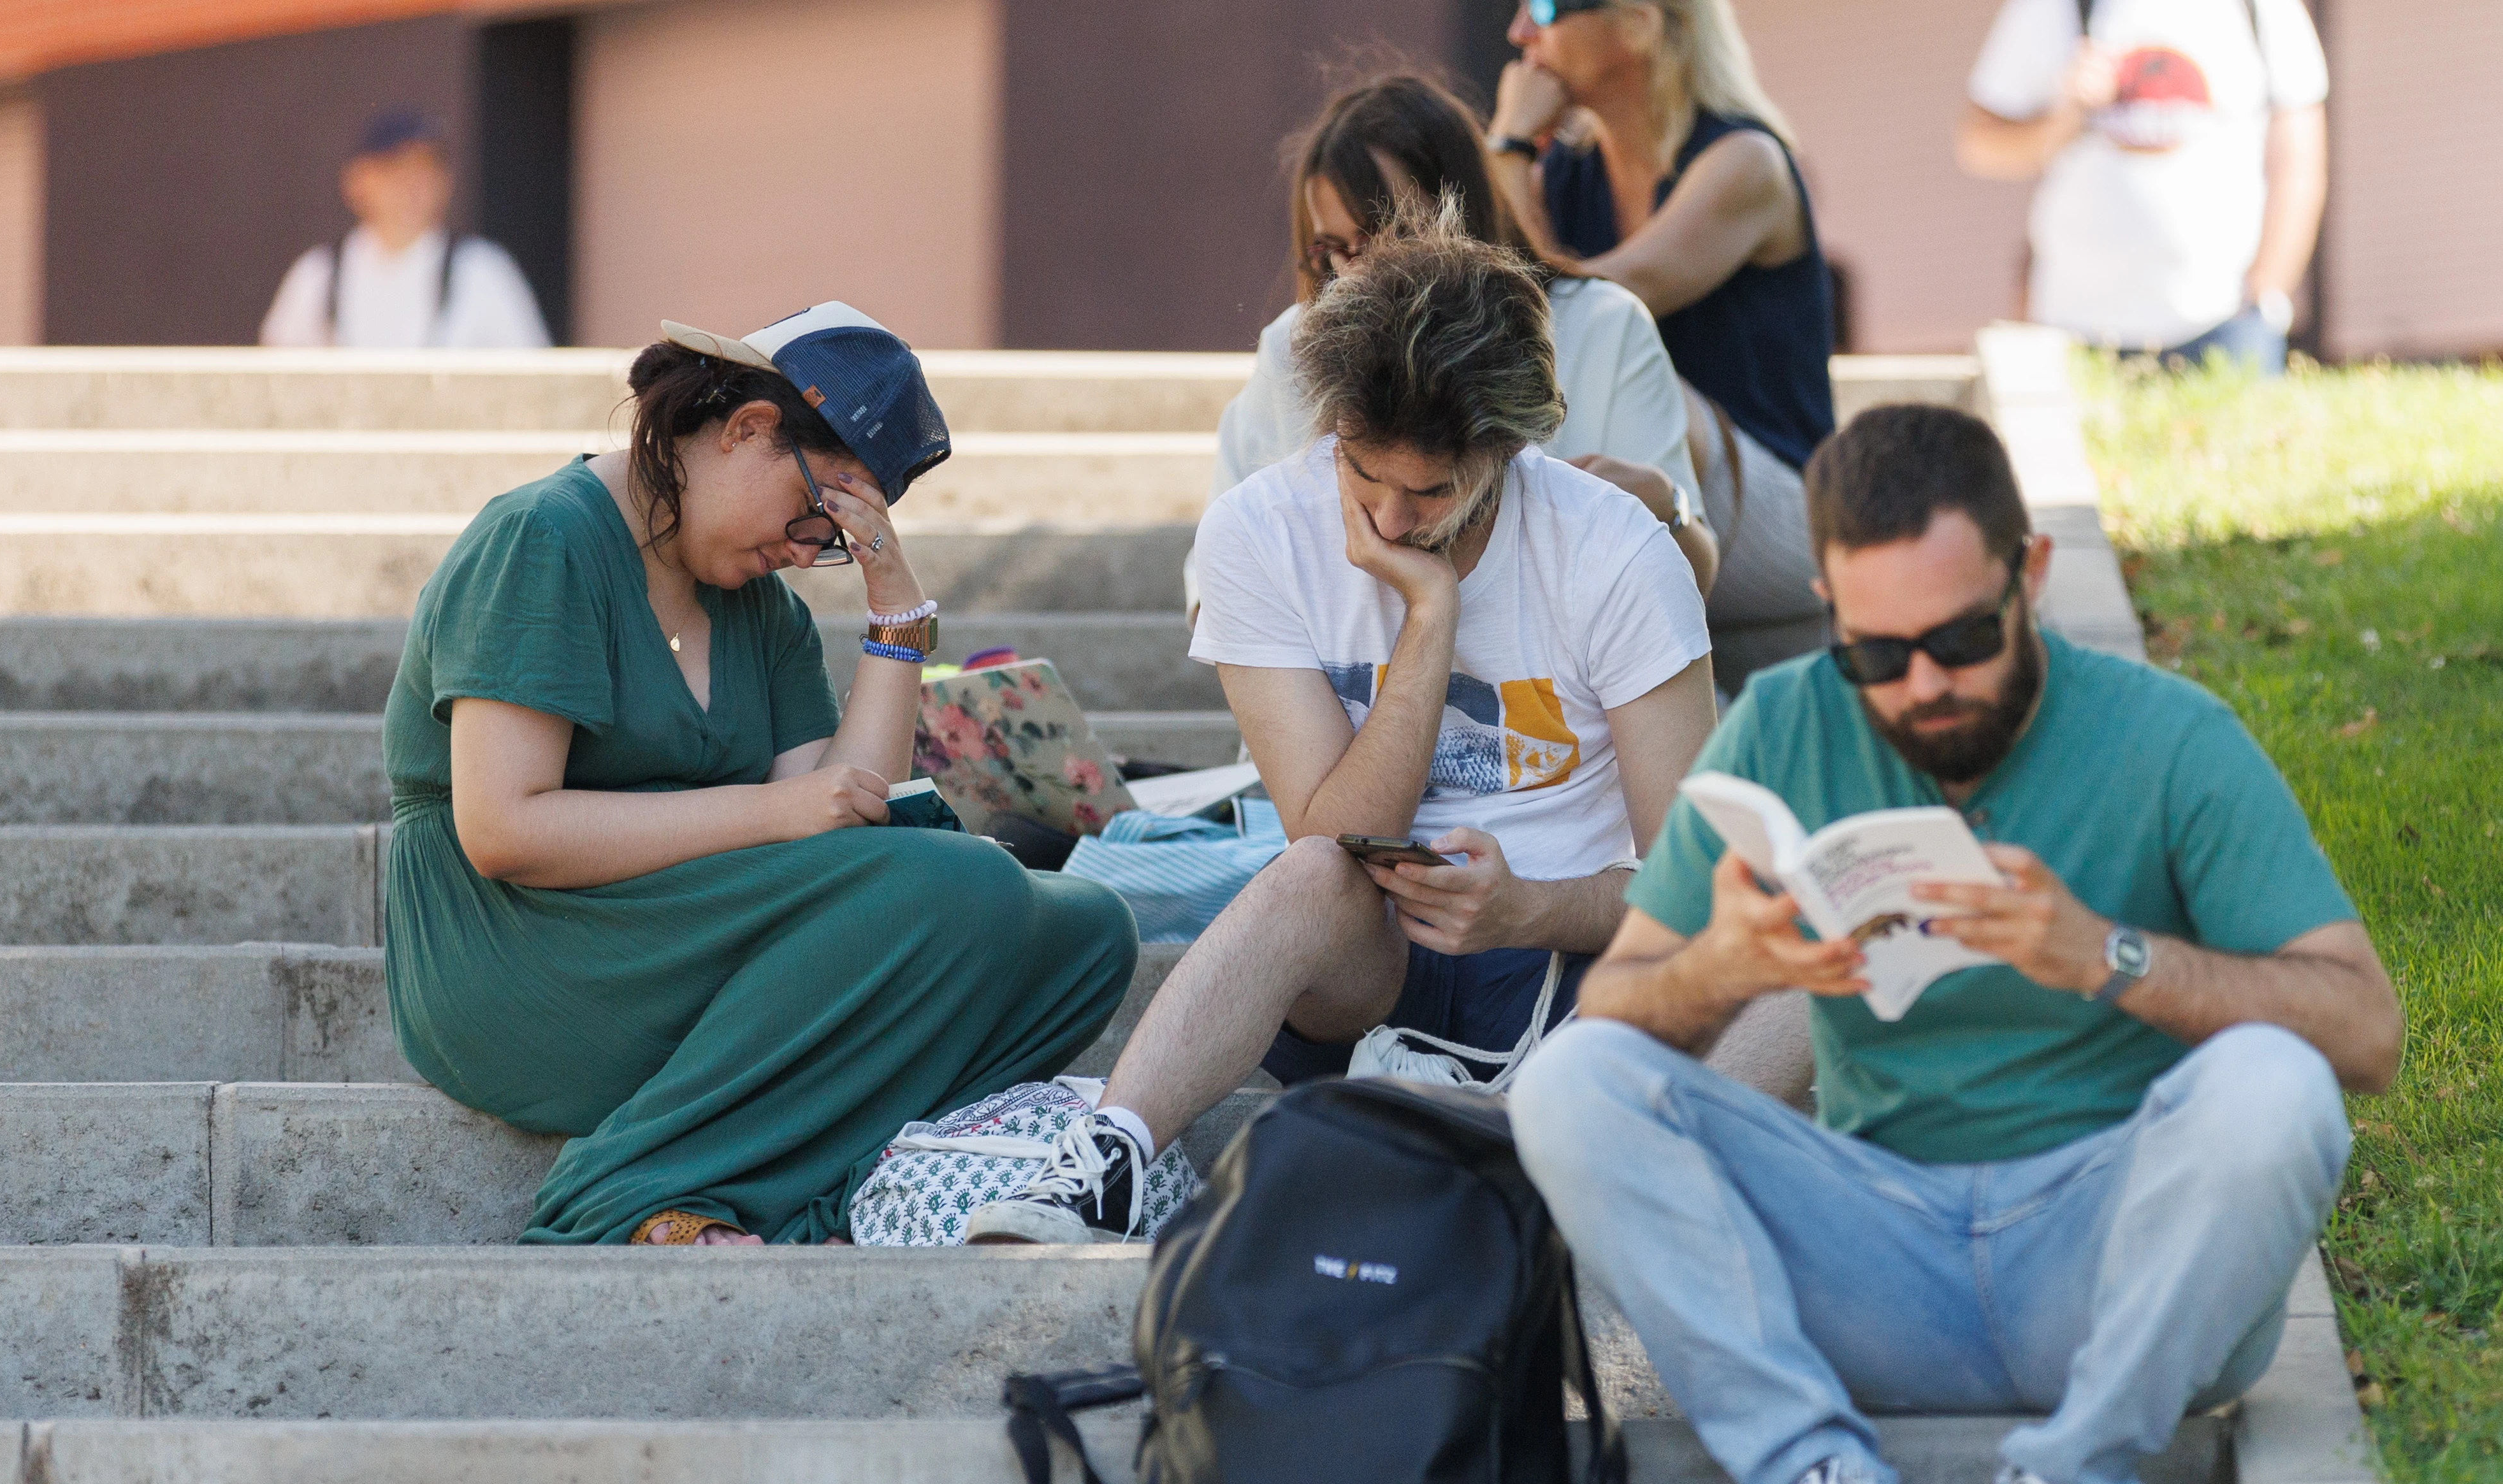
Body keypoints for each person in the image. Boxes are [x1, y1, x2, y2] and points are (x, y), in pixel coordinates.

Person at [1509, 403, 2402, 1484]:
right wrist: (1724, 968)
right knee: (1569, 1080)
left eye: (1963, 639)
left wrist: (2109, 957)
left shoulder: (2171, 736)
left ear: (2029, 575)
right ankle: (1807, 1460)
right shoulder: (1786, 722)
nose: (1925, 682)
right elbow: (1617, 1015)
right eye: (1878, 651)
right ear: (1828, 609)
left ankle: (2079, 1462)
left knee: (2279, 1085)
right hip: (1874, 1256)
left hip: (2117, 1270)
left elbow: (2366, 1032)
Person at [968, 208, 1801, 1248]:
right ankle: (1103, 1164)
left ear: (1508, 451)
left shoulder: (1619, 553)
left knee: (1796, 951)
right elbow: (1335, 833)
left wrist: (1529, 906)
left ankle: (1602, 1175)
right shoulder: (1260, 534)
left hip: (1583, 960)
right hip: (1369, 964)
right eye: (1365, 473)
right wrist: (1432, 616)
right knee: (1306, 872)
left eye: (1432, 490)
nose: (1394, 520)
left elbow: (1694, 884)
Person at [381, 301, 1136, 1246]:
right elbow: (504, 831)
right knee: (972, 884)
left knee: (1087, 937)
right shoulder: (545, 540)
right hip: (520, 952)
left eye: (838, 538)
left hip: (692, 936)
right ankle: (622, 1189)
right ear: (749, 431)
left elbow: (845, 815)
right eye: (820, 517)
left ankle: (807, 1186)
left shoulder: (756, 604)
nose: (804, 551)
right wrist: (773, 809)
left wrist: (896, 610)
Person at [1202, 71, 1718, 619]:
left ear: (1465, 216)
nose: (1360, 273)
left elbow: (1692, 583)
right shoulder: (1294, 344)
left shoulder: (1602, 325)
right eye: (1334, 248)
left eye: (1394, 236)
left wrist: (1669, 509)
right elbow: (1216, 591)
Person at [1485, 0, 1837, 695]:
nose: (1520, 31)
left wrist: (1505, 146)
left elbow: (1585, 308)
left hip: (1791, 516)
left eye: (1547, 7)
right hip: (1661, 497)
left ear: (1640, 21)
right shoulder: (1569, 176)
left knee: (1630, 379)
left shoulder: (1747, 162)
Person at [1957, 0, 2329, 375]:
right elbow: (1979, 147)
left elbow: (2299, 163)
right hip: (2074, 329)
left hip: (2225, 327)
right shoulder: (2050, 9)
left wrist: (2267, 293)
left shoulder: (2266, 9)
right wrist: (2063, 118)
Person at [260, 108, 553, 349]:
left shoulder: (483, 270)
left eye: (426, 168)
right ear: (357, 181)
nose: (412, 185)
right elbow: (275, 383)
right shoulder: (316, 274)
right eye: (395, 168)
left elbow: (533, 382)